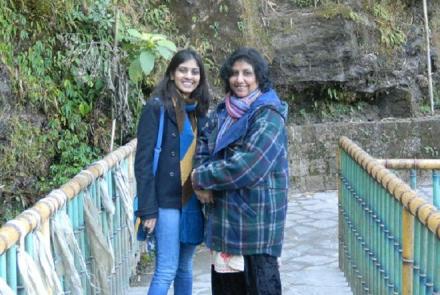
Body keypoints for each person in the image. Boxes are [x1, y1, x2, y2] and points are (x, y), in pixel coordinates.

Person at [192, 47, 289, 295]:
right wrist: (201, 174)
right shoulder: (223, 111)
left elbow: (249, 165)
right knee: (226, 288)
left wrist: (201, 178)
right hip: (225, 220)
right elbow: (204, 144)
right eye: (234, 73)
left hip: (255, 223)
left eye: (247, 73)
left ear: (259, 77)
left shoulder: (269, 114)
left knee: (261, 286)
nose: (240, 79)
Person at [134, 48, 211, 295]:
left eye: (194, 71)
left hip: (191, 201)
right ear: (171, 74)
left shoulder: (198, 112)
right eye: (183, 70)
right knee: (166, 268)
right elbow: (143, 163)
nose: (189, 76)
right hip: (165, 201)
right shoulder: (156, 108)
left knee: (185, 267)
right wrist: (147, 209)